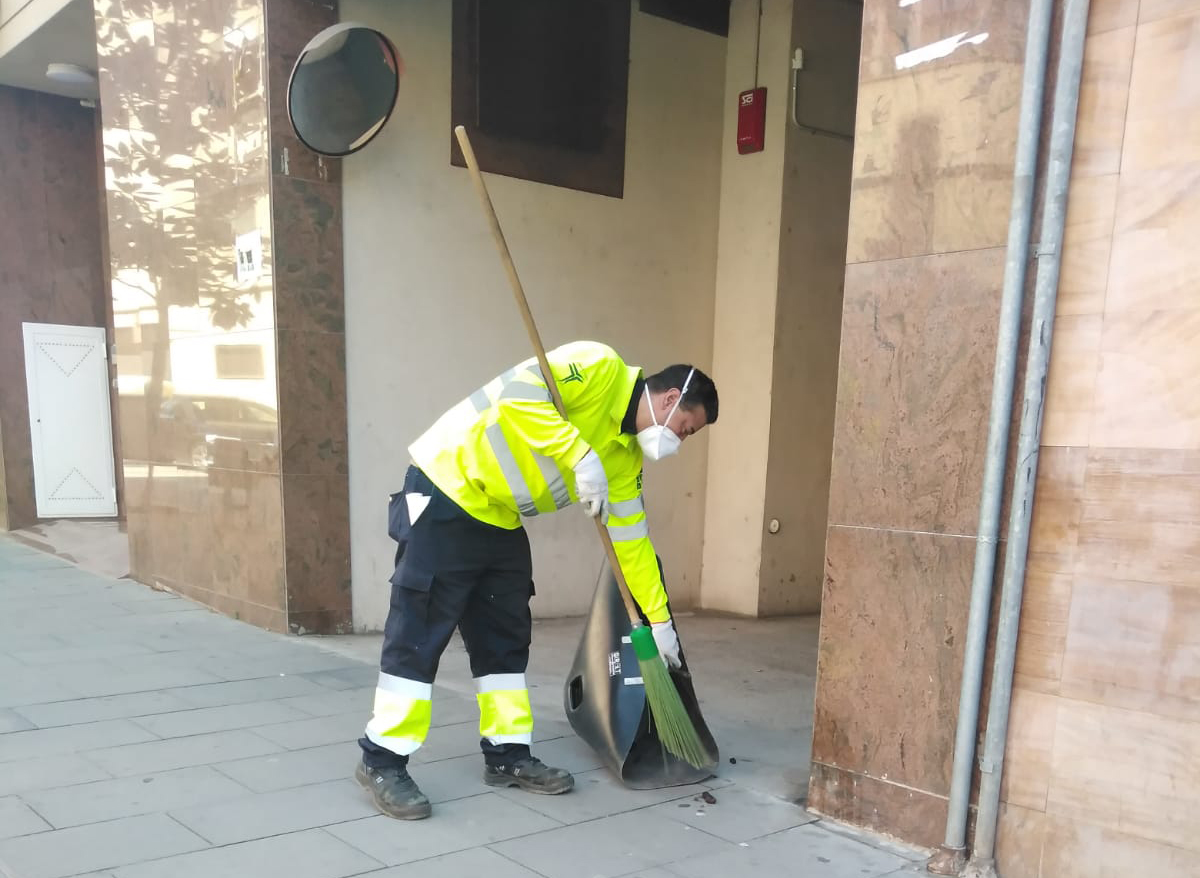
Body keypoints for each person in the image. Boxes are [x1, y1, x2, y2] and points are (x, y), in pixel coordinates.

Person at [356, 340, 719, 819]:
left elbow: (633, 546)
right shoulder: (597, 365)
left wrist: (661, 624)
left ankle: (506, 754)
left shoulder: (625, 461)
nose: (678, 442)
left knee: (504, 640)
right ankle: (382, 760)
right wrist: (579, 455)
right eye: (685, 430)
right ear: (671, 399)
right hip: (448, 487)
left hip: (500, 517)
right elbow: (517, 396)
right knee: (419, 634)